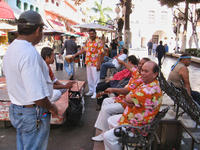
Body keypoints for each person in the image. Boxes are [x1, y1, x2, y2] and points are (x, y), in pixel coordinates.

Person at [3, 10, 58, 150]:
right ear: (38, 30)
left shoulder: (12, 48)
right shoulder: (28, 53)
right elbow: (37, 96)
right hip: (33, 113)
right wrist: (52, 107)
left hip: (18, 108)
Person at [103, 61, 162, 150]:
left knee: (108, 137)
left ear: (155, 74)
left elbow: (128, 97)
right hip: (134, 117)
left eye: (146, 71)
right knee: (111, 119)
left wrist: (129, 99)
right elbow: (130, 97)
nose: (142, 73)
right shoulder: (149, 84)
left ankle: (118, 141)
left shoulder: (149, 89)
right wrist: (130, 99)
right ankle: (120, 142)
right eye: (142, 70)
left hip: (137, 127)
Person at [91, 58, 151, 142]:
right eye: (140, 63)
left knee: (106, 109)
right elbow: (130, 68)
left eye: (145, 69)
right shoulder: (138, 72)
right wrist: (122, 62)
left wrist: (113, 89)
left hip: (127, 103)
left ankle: (105, 133)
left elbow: (127, 92)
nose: (140, 66)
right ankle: (104, 130)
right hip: (124, 99)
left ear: (153, 73)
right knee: (105, 101)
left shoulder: (142, 80)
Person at [72, 29, 104, 99]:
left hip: (95, 63)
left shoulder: (99, 41)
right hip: (88, 62)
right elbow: (84, 49)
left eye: (92, 34)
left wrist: (99, 64)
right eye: (90, 34)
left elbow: (101, 53)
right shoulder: (88, 40)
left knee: (96, 78)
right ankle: (91, 90)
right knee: (90, 78)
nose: (91, 35)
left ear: (95, 33)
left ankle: (96, 92)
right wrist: (75, 54)